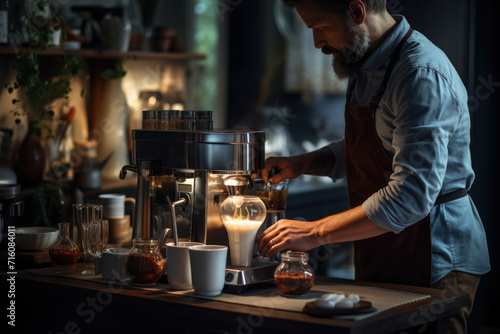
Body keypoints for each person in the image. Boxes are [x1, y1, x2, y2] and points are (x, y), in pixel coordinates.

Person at [256, 0, 490, 333]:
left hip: (436, 260)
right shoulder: (365, 62)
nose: (317, 43)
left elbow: (411, 195)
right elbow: (365, 146)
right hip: (387, 250)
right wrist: (302, 163)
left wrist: (314, 232)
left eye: (320, 27)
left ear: (356, 12)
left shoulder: (420, 73)